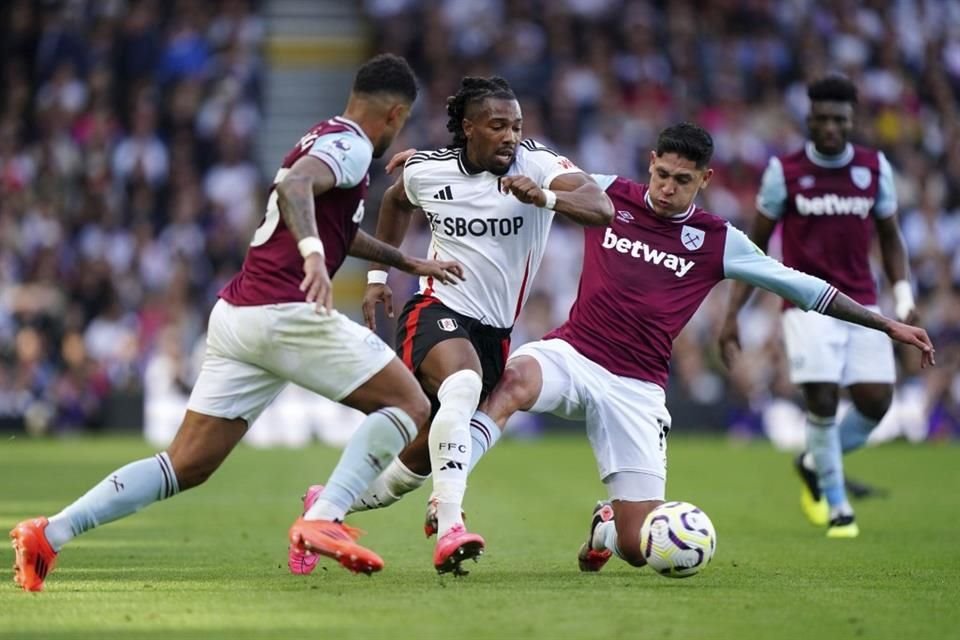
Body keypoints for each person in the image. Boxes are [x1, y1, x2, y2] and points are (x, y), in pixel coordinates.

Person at [330, 122, 935, 573]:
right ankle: (449, 502)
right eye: (661, 173)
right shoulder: (606, 193)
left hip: (637, 387)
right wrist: (440, 159)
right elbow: (513, 154)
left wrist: (887, 325)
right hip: (572, 353)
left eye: (682, 180)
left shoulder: (719, 241)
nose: (667, 189)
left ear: (705, 180)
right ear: (651, 164)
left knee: (636, 547)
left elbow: (805, 288)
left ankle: (604, 525)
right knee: (507, 384)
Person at [10, 53, 464, 592]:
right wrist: (315, 256)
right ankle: (324, 516)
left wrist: (406, 261)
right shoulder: (352, 146)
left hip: (238, 317)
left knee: (186, 464)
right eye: (403, 122)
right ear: (393, 115)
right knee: (409, 404)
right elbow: (295, 190)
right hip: (284, 310)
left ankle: (49, 534)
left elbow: (332, 220)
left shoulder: (324, 137)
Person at [288, 76, 613, 576]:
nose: (510, 136)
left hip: (494, 334)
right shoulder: (429, 170)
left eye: (517, 126)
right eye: (498, 125)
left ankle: (326, 507)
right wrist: (379, 277)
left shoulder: (538, 165)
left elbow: (600, 207)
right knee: (462, 386)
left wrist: (545, 199)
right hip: (435, 310)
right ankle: (451, 524)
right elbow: (396, 201)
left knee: (412, 469)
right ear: (469, 128)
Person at [718, 74, 916, 537]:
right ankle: (838, 504)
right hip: (806, 306)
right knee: (823, 398)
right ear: (809, 119)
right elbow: (754, 252)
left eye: (839, 119)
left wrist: (903, 297)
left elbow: (890, 238)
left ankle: (812, 461)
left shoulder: (873, 168)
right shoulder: (783, 173)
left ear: (852, 121)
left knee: (876, 402)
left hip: (863, 303)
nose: (830, 127)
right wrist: (732, 316)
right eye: (822, 118)